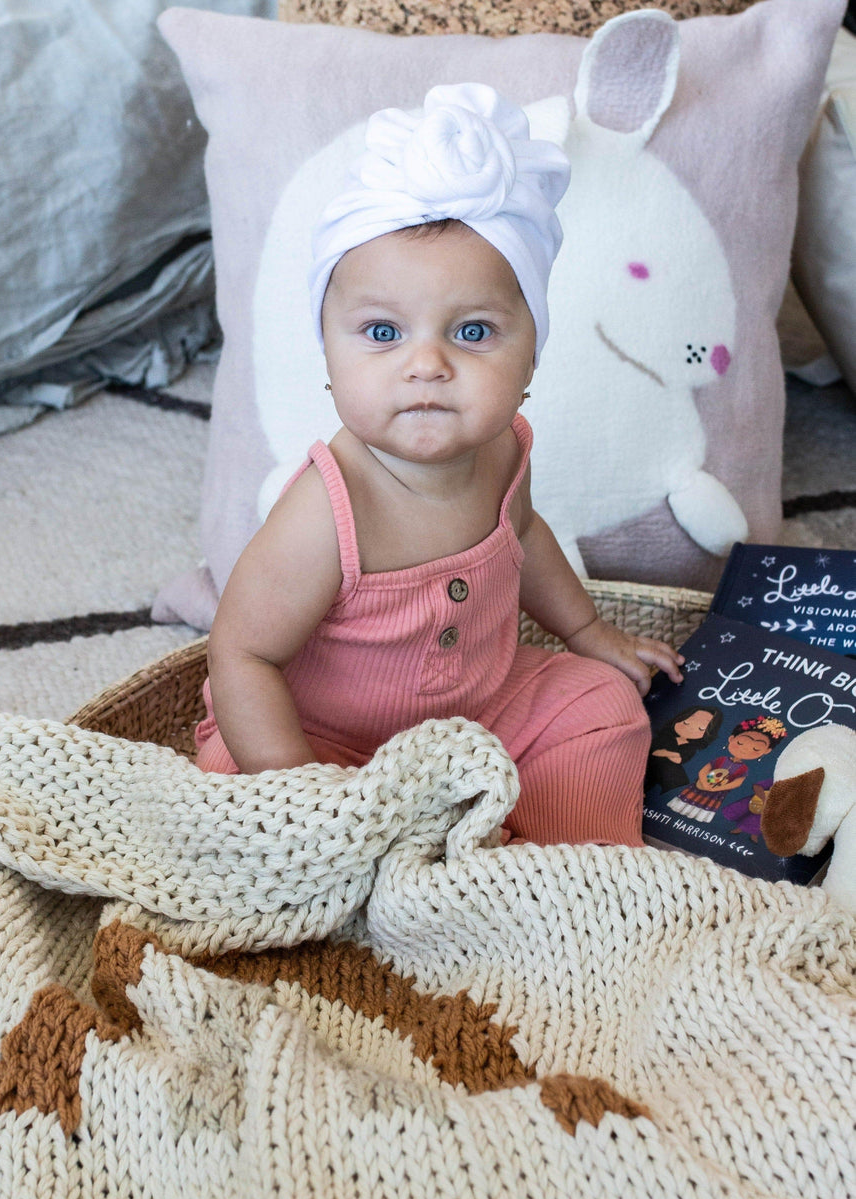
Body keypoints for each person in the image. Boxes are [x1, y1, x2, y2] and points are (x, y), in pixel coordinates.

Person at [196, 82, 684, 846]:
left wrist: (589, 631)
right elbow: (243, 655)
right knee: (237, 817)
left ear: (531, 356)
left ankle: (572, 870)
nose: (427, 364)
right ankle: (397, 858)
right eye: (384, 333)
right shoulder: (329, 509)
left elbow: (526, 537)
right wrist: (300, 787)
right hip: (326, 745)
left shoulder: (505, 449)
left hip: (479, 713)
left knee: (603, 706)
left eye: (475, 332)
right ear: (328, 354)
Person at [667, 716, 787, 824]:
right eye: (740, 743)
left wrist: (717, 788)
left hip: (717, 792)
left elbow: (737, 783)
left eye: (756, 748)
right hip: (701, 785)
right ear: (731, 739)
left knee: (703, 806)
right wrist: (704, 783)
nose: (745, 750)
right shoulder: (721, 759)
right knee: (688, 799)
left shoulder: (743, 768)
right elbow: (704, 770)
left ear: (766, 751)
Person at [645, 705, 724, 794]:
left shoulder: (690, 748)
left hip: (663, 773)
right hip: (646, 763)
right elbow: (655, 751)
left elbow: (678, 760)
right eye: (686, 722)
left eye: (700, 728)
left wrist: (666, 753)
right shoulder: (665, 737)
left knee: (675, 776)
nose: (690, 728)